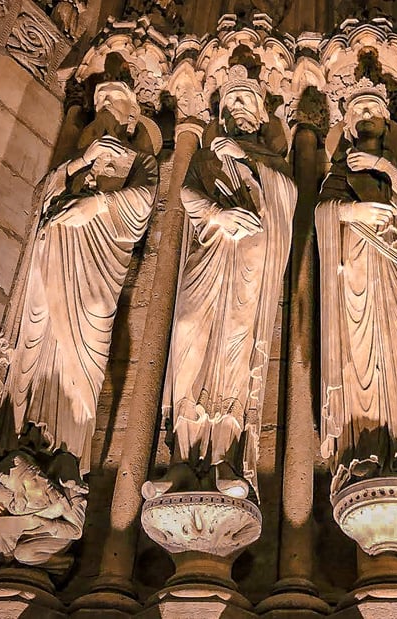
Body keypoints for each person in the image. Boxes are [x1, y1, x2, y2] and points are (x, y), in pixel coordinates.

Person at [0, 80, 160, 566]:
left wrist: (95, 204)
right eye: (98, 102)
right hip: (48, 264)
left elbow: (142, 204)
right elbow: (39, 197)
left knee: (80, 374)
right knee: (32, 364)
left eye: (111, 102)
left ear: (132, 116)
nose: (101, 108)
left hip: (93, 276)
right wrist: (78, 163)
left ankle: (63, 467)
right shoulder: (78, 157)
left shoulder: (140, 160)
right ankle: (19, 453)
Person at [144, 64, 296, 501]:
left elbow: (285, 197)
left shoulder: (269, 159)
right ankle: (181, 457)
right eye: (231, 102)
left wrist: (248, 159)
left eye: (246, 101)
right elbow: (186, 194)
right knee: (189, 331)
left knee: (235, 342)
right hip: (208, 251)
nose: (238, 109)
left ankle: (225, 455)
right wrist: (218, 214)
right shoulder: (207, 156)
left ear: (262, 116)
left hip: (249, 259)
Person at [316, 79, 397, 497]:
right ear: (349, 125)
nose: (366, 117)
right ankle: (364, 443)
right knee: (361, 348)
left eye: (373, 111)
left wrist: (388, 169)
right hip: (357, 267)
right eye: (358, 113)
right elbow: (323, 213)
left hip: (396, 261)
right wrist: (353, 209)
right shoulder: (342, 169)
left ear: (387, 124)